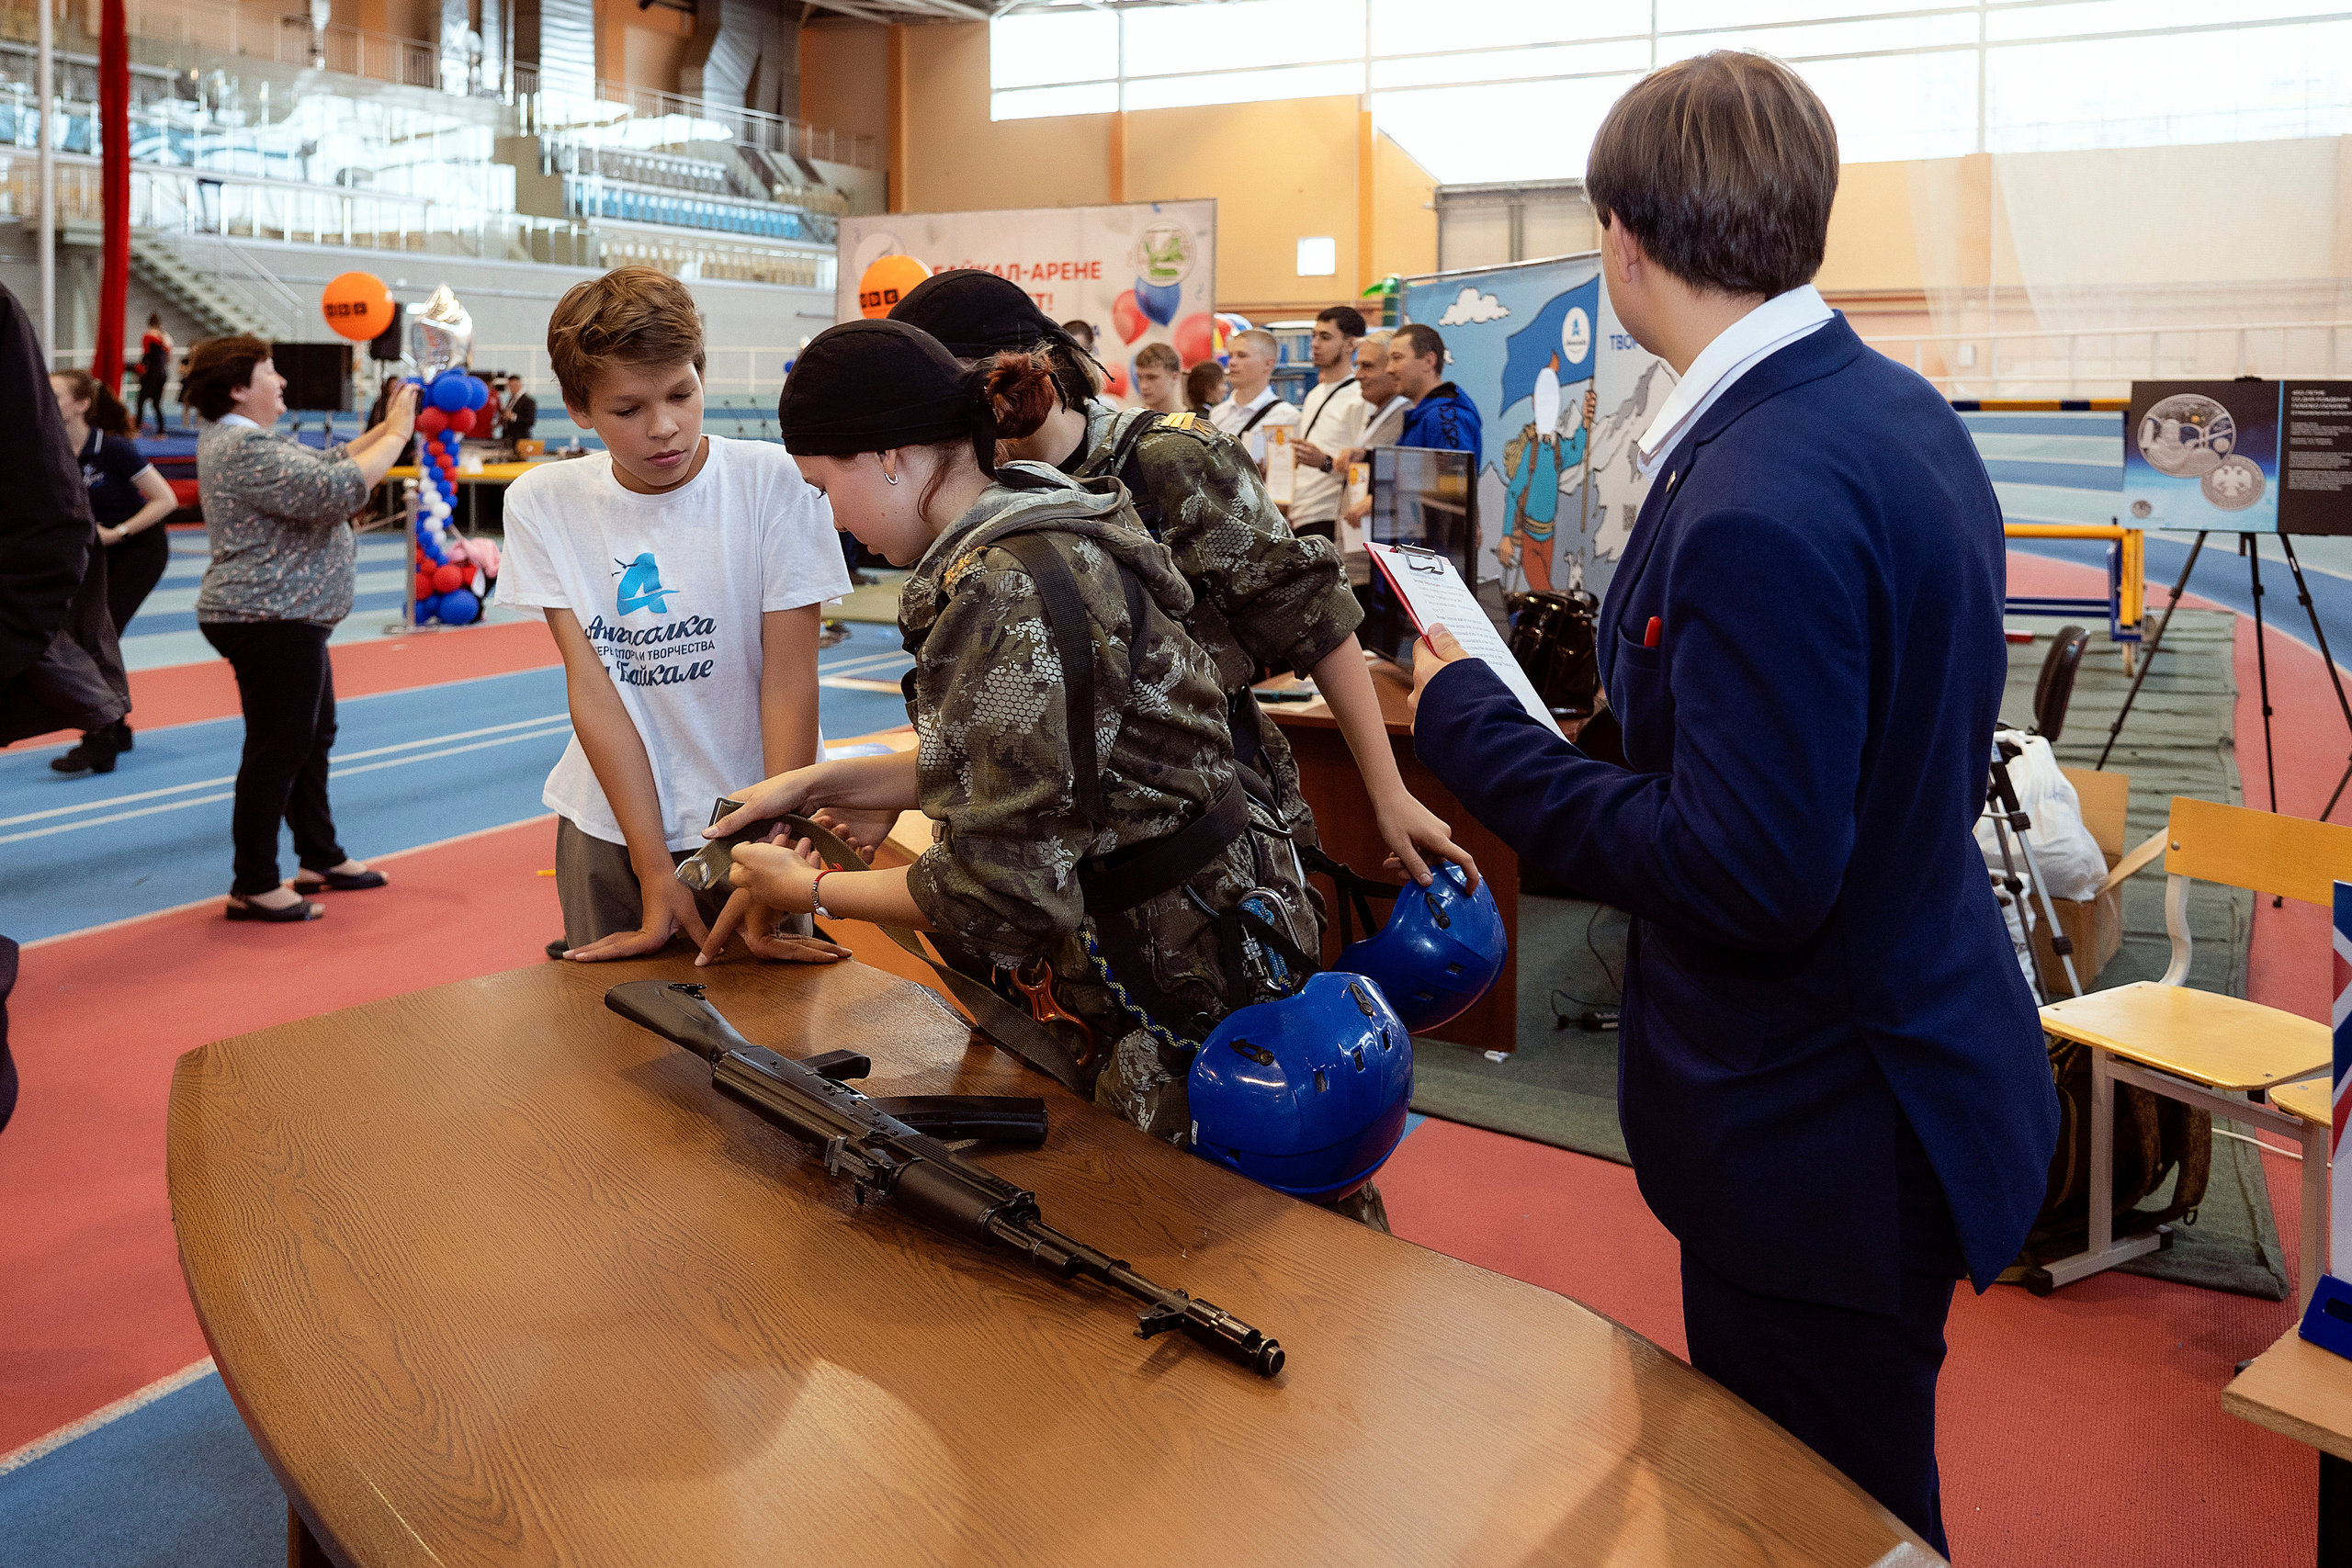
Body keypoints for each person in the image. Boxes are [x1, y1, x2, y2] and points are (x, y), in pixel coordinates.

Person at [1404, 53, 2057, 1555]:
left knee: (1823, 1517)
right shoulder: (1891, 412)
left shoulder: (1761, 487)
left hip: (1821, 1122)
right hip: (1900, 1051)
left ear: (1622, 238)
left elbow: (1751, 870)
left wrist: (1475, 729)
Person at [706, 322, 1346, 1194]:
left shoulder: (1002, 587)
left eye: (824, 486)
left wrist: (807, 891)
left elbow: (1001, 896)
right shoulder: (1046, 521)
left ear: (888, 454)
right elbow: (1048, 764)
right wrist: (819, 781)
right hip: (1222, 928)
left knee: (1211, 1234)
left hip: (1174, 975)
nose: (834, 518)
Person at [883, 265, 1473, 906]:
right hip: (1065, 869)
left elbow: (1312, 617)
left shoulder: (1168, 460)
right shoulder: (978, 496)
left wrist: (1388, 792)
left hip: (1206, 858)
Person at [494, 266, 851, 965]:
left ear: (701, 371)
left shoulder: (775, 482)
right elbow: (595, 691)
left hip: (760, 817)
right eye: (627, 410)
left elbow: (789, 680)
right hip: (610, 826)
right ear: (578, 407)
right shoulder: (542, 501)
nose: (664, 428)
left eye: (681, 394)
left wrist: (770, 845)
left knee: (776, 1049)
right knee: (613, 1049)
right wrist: (653, 866)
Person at [188, 335, 417, 921]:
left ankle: (320, 856)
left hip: (286, 618)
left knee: (310, 739)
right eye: (271, 372)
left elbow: (328, 464)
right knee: (279, 748)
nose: (283, 382)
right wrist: (396, 430)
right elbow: (336, 488)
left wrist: (388, 426)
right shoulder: (242, 447)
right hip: (268, 617)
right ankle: (254, 882)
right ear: (239, 387)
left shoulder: (247, 441)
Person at [46, 369, 177, 773]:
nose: (45, 399)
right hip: (90, 557)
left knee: (96, 638)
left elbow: (166, 499)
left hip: (139, 549)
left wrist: (116, 533)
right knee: (92, 638)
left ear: (82, 405)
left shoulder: (113, 449)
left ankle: (98, 742)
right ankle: (117, 727)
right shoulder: (45, 450)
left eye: (56, 394)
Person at [1285, 305, 1368, 543]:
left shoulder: (1358, 396)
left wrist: (1324, 462)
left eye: (1325, 337)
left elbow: (1361, 467)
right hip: (1301, 515)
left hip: (1331, 515)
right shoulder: (1315, 394)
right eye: (1314, 335)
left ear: (1350, 344)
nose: (1315, 343)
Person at [1392, 322, 1481, 464]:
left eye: (1397, 358)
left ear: (1428, 361)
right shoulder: (1427, 415)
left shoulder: (1442, 418)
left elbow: (1455, 483)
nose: (1389, 369)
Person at [1207, 329, 1296, 467]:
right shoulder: (1217, 413)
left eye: (1242, 356)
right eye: (1231, 355)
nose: (1232, 362)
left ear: (1268, 364)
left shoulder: (1287, 417)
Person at [135, 312, 172, 434]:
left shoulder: (148, 336)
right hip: (162, 373)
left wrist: (141, 370)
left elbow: (146, 356)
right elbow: (168, 359)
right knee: (156, 404)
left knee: (140, 402)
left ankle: (136, 428)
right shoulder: (165, 338)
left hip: (152, 374)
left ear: (150, 324)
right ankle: (161, 430)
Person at [1131, 342, 1184, 415]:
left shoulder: (1196, 422)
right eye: (1139, 377)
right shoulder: (1131, 421)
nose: (1143, 386)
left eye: (1152, 378)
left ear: (1174, 377)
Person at [501, 374, 536, 443]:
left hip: (520, 438)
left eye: (514, 386)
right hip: (508, 437)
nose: (511, 388)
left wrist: (513, 417)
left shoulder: (528, 401)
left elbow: (530, 421)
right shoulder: (511, 399)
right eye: (510, 386)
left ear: (520, 385)